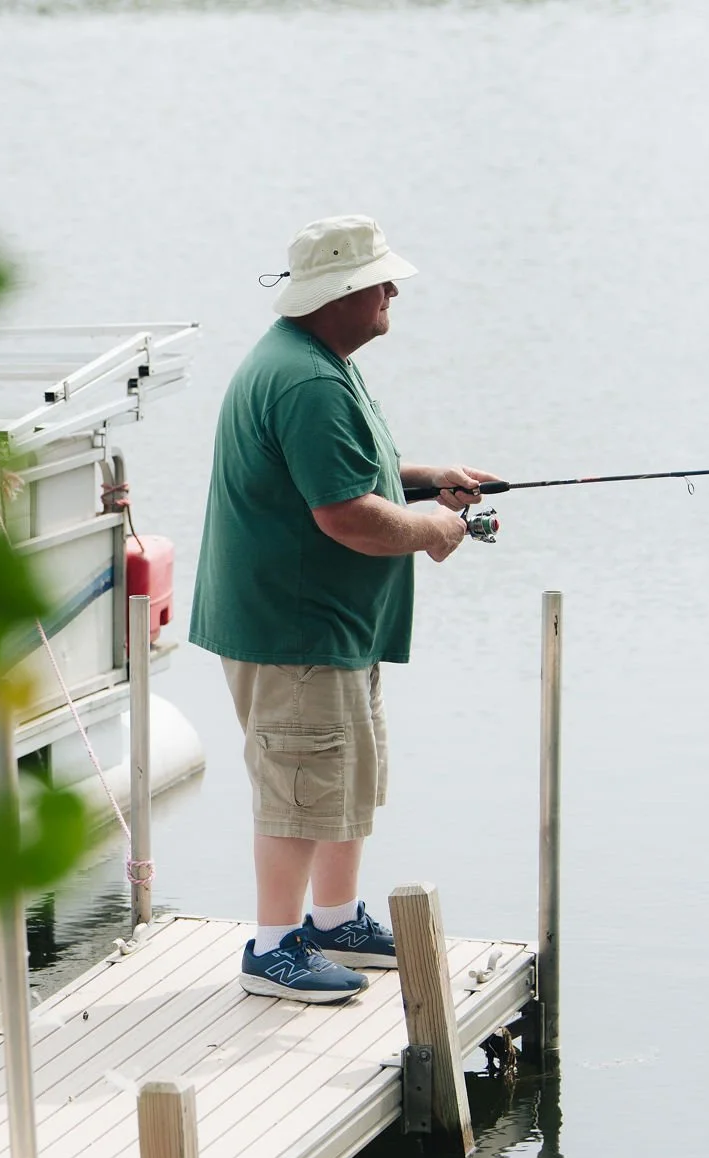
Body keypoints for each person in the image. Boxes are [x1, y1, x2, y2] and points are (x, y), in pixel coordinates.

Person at [188, 214, 499, 1004]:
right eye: (380, 281)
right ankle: (271, 948)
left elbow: (354, 467)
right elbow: (344, 513)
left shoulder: (317, 361)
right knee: (297, 787)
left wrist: (429, 479)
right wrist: (434, 530)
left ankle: (333, 919)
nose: (394, 289)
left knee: (341, 773)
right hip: (295, 629)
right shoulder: (308, 379)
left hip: (328, 625)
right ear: (341, 294)